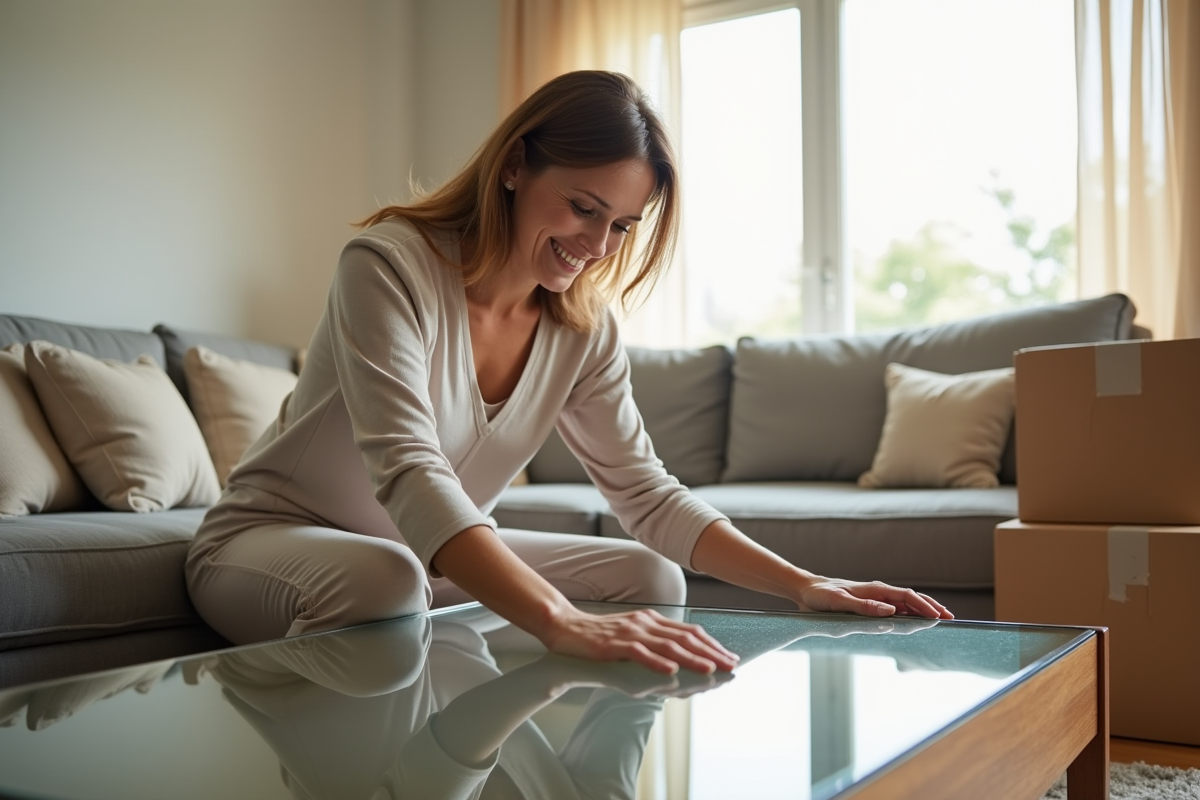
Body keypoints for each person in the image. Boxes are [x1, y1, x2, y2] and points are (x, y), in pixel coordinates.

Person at [185, 70, 952, 679]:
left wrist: (803, 585)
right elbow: (410, 469)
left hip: (419, 561)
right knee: (386, 582)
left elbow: (646, 495)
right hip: (270, 541)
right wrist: (557, 618)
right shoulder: (388, 265)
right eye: (584, 207)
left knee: (650, 579)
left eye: (621, 225)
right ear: (515, 164)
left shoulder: (583, 329)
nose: (597, 244)